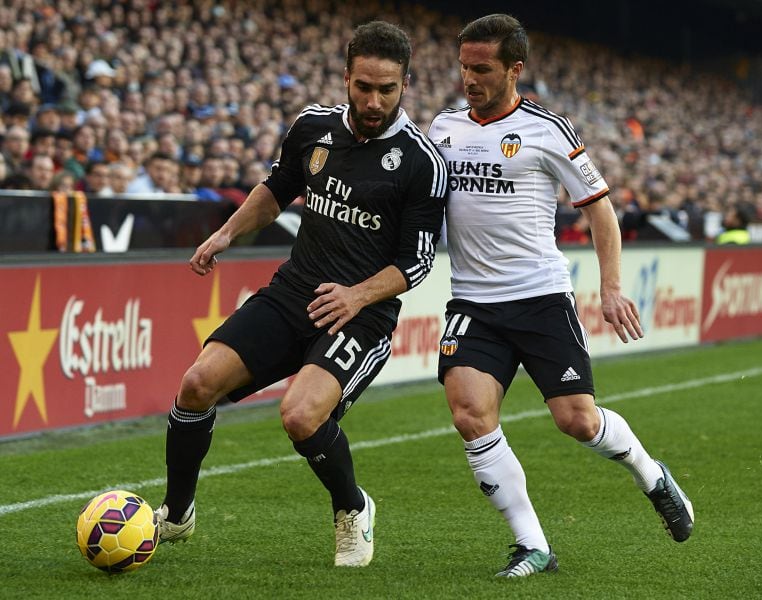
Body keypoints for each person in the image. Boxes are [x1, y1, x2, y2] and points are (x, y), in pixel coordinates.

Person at [154, 20, 447, 569]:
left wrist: (358, 296)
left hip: (359, 317)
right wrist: (225, 234)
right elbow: (275, 192)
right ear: (346, 78)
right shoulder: (312, 127)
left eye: (387, 88)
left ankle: (353, 508)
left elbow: (417, 262)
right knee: (196, 385)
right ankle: (177, 512)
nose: (374, 99)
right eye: (364, 86)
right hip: (292, 293)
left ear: (405, 84)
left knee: (300, 416)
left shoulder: (421, 162)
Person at [428, 14, 693, 578]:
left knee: (576, 420)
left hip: (541, 298)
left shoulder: (548, 130)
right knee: (471, 415)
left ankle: (652, 475)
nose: (469, 79)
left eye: (482, 69)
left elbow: (600, 207)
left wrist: (611, 287)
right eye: (463, 67)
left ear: (514, 70)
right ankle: (533, 546)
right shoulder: (443, 128)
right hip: (473, 302)